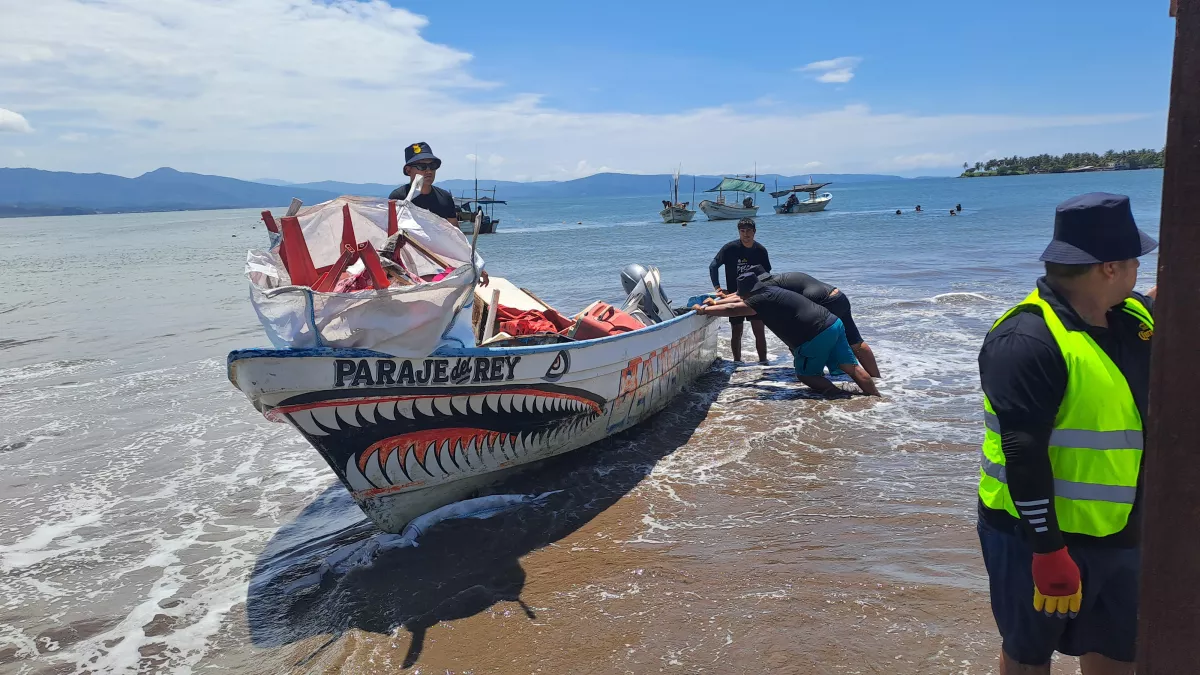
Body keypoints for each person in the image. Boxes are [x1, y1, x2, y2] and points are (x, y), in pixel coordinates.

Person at [976, 192, 1158, 675]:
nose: (1140, 268)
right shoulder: (1026, 340)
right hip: (1034, 536)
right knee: (1028, 655)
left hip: (1120, 529)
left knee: (1119, 651)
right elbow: (1023, 451)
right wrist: (1048, 550)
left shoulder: (1132, 317)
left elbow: (1164, 298)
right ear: (1110, 267)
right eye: (1135, 259)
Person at [695, 273, 879, 397]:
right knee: (852, 368)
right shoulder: (772, 290)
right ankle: (876, 399)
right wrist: (715, 304)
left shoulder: (759, 300)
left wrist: (704, 311)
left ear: (747, 293)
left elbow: (734, 309)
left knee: (806, 376)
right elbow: (735, 304)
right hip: (834, 323)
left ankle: (839, 396)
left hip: (816, 333)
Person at [746, 266, 881, 378]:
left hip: (822, 302)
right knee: (856, 341)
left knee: (799, 342)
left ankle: (813, 375)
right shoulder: (783, 277)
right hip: (838, 296)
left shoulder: (766, 287)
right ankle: (876, 377)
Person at [709, 217, 770, 363]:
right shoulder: (730, 249)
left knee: (759, 330)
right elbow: (713, 266)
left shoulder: (760, 250)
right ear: (739, 232)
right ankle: (737, 363)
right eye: (742, 231)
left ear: (754, 232)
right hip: (734, 295)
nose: (746, 234)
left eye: (749, 231)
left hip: (755, 295)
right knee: (736, 331)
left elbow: (767, 274)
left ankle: (764, 363)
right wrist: (718, 288)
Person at [389, 142, 459, 225]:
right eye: (422, 166)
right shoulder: (398, 198)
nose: (429, 171)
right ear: (408, 170)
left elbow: (455, 231)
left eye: (432, 165)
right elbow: (391, 229)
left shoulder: (445, 198)